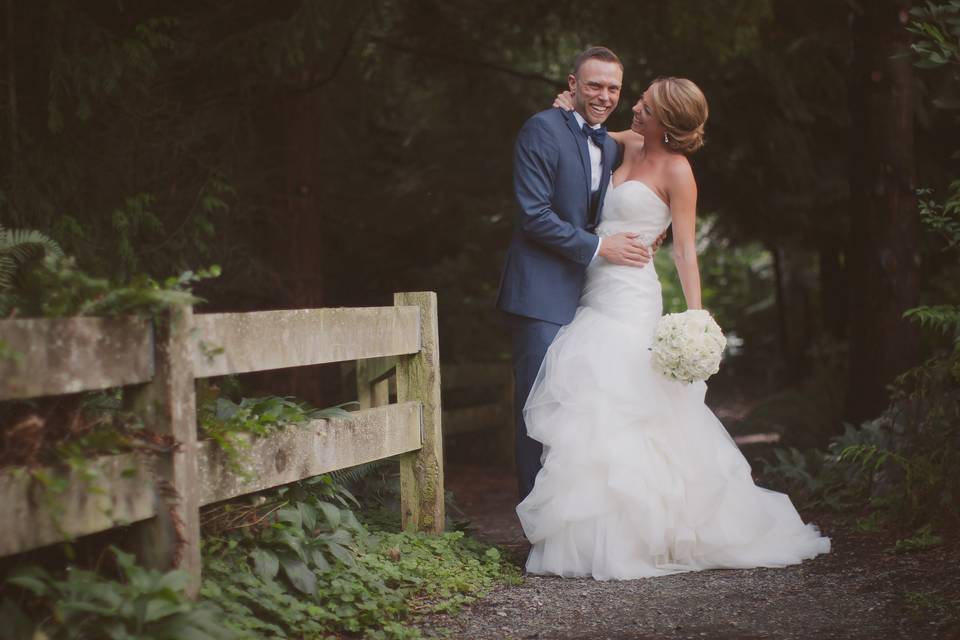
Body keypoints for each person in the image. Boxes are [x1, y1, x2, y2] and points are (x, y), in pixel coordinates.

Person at [516, 77, 831, 579]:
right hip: (591, 285)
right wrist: (564, 109)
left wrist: (696, 316)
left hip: (632, 294)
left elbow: (684, 248)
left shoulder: (679, 171)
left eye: (645, 105)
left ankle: (644, 532)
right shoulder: (628, 142)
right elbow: (584, 136)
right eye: (639, 100)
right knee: (589, 400)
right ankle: (587, 534)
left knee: (626, 398)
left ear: (666, 118)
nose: (635, 107)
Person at [496, 46, 658, 501]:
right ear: (572, 85)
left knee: (581, 412)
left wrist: (653, 227)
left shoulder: (609, 144)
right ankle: (535, 525)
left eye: (613, 88)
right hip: (540, 294)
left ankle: (571, 519)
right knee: (537, 411)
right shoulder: (541, 129)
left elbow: (662, 153)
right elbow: (535, 215)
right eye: (594, 85)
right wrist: (602, 246)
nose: (604, 96)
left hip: (593, 299)